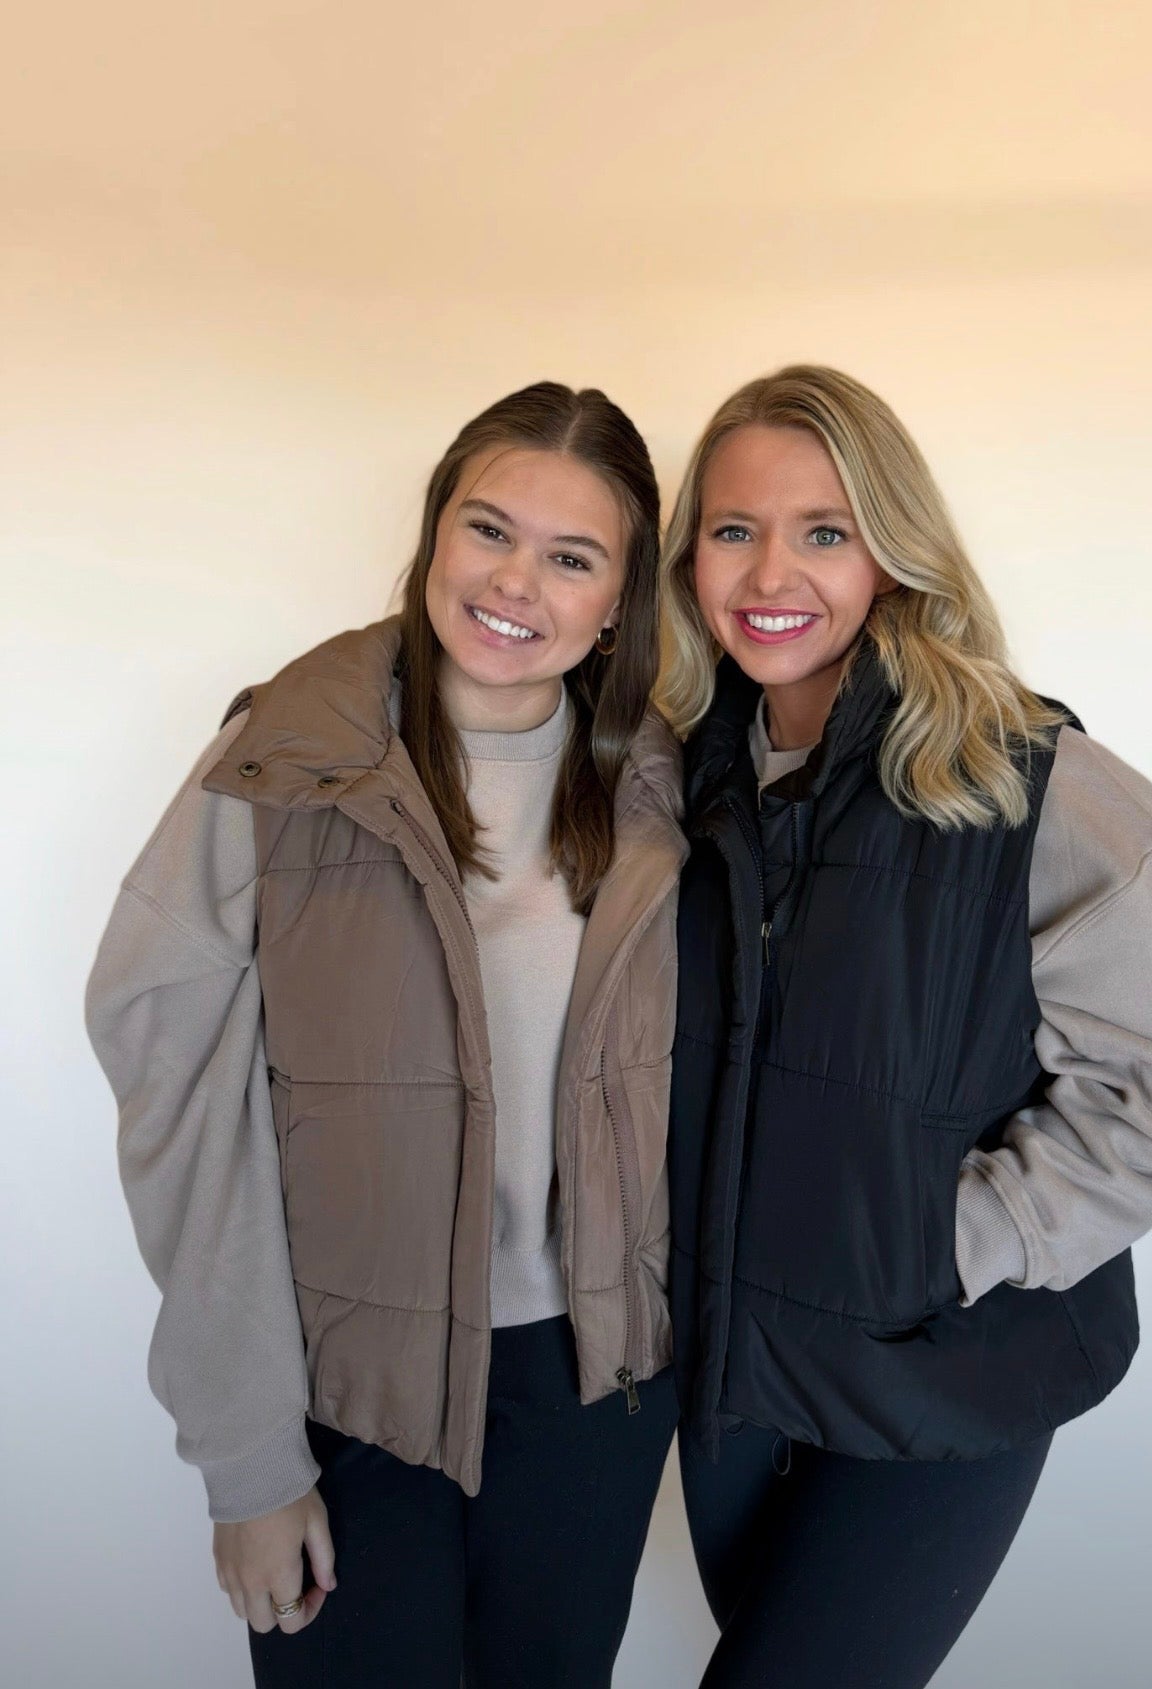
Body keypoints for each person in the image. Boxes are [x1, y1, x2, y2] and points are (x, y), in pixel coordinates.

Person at [83, 381, 687, 1688]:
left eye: (570, 556)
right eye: (488, 528)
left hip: (591, 1403)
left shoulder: (660, 788)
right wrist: (247, 1457)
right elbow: (177, 1095)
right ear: (434, 533)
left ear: (614, 602)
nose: (514, 580)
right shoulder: (284, 759)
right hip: (345, 1399)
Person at [658, 365, 1152, 1689]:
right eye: (732, 528)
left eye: (822, 529)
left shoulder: (1033, 784)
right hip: (733, 1373)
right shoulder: (678, 789)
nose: (768, 571)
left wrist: (938, 1244)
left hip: (942, 1365)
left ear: (893, 552)